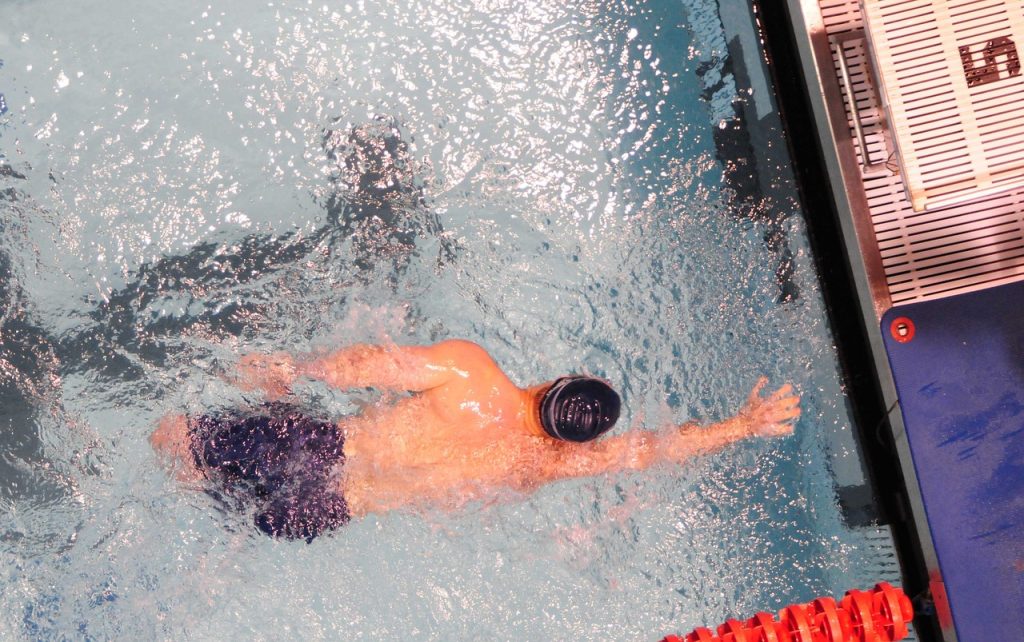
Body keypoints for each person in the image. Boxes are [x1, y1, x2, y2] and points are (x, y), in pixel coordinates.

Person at [150, 339, 800, 541]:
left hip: (316, 448)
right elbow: (647, 451)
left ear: (556, 380)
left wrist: (295, 370)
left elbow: (373, 365)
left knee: (168, 438)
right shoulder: (543, 463)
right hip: (327, 511)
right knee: (215, 509)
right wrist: (740, 426)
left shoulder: (472, 372)